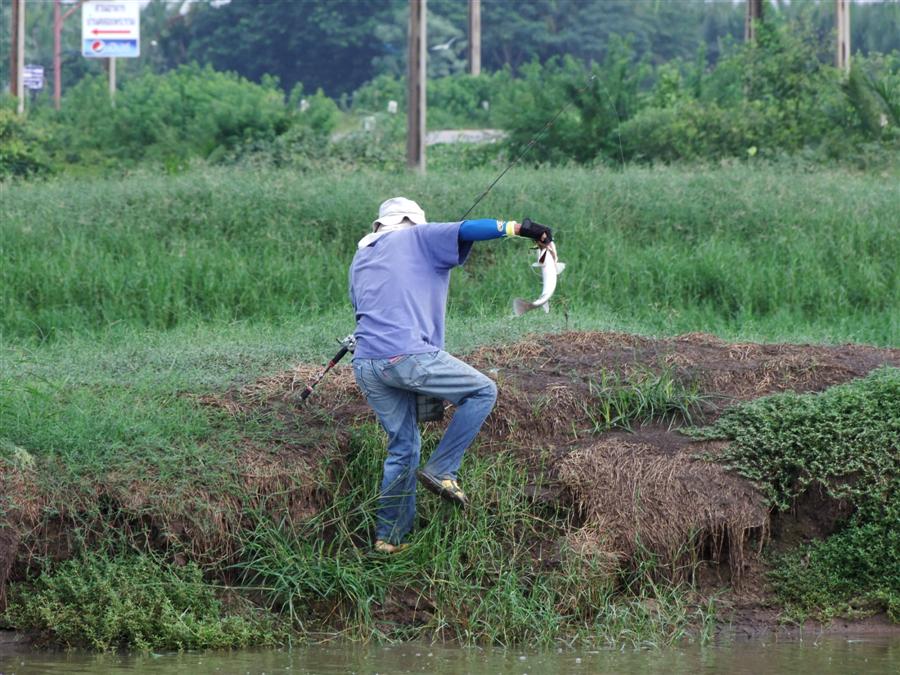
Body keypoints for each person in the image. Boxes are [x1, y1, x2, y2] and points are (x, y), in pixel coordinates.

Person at [349, 197, 553, 554]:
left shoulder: (362, 256)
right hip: (406, 356)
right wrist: (521, 229)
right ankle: (443, 469)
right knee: (483, 391)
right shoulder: (416, 236)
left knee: (403, 448)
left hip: (367, 363)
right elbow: (468, 229)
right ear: (413, 221)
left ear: (381, 224)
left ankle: (389, 540)